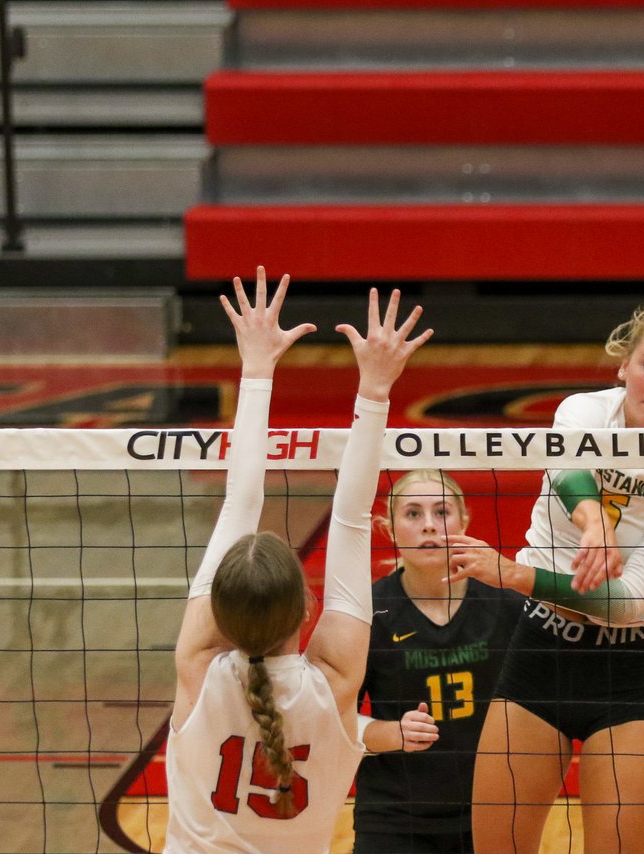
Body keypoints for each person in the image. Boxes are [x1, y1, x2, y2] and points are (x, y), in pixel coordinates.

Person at [446, 292, 644, 854]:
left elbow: (625, 603)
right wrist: (593, 517)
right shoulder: (583, 412)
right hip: (538, 654)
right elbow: (568, 469)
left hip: (627, 673)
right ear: (624, 366)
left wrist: (516, 576)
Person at [163, 267, 431, 853]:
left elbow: (241, 500)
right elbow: (352, 516)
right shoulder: (333, 684)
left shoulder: (198, 669)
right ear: (305, 610)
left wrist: (256, 368)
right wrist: (375, 388)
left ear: (220, 614)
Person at [353, 470, 524, 854]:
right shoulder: (368, 612)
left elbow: (548, 706)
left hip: (491, 810)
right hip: (394, 815)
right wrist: (389, 732)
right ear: (389, 529)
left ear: (464, 523)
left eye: (441, 512)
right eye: (413, 514)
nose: (429, 525)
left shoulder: (507, 605)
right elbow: (332, 718)